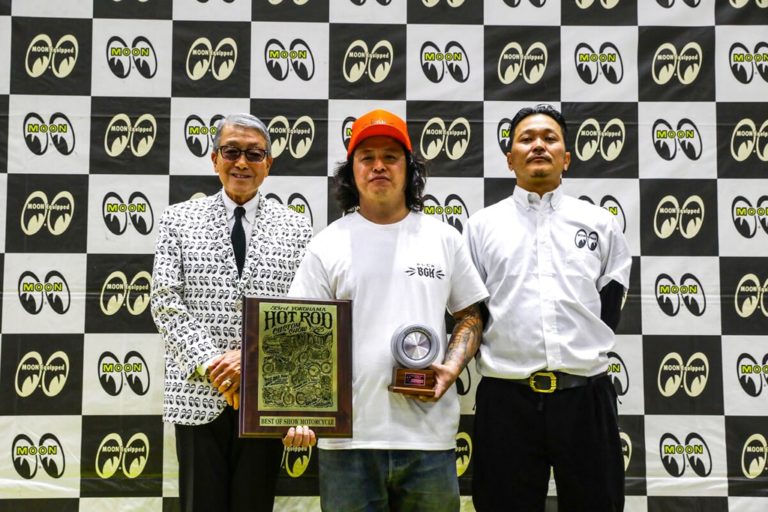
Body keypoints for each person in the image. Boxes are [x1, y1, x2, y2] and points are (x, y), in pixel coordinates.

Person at [283, 109, 488, 511]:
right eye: (367, 157)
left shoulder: (444, 239)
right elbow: (299, 336)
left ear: (409, 169)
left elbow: (470, 315)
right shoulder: (326, 245)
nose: (379, 166)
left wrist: (452, 367)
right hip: (347, 441)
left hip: (428, 438)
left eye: (391, 157)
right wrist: (298, 410)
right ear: (352, 172)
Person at [464, 104, 631, 512]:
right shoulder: (481, 227)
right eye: (526, 139)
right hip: (506, 401)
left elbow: (608, 311)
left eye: (549, 138)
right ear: (509, 158)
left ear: (566, 157)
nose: (538, 145)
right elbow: (471, 313)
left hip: (585, 398)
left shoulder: (600, 224)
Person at [150, 113, 313, 512]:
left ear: (268, 164)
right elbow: (165, 302)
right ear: (214, 159)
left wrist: (252, 362)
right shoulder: (177, 220)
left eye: (254, 154)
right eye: (231, 151)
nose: (242, 162)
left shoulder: (297, 228)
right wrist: (216, 366)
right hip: (197, 396)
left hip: (266, 398)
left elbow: (302, 313)